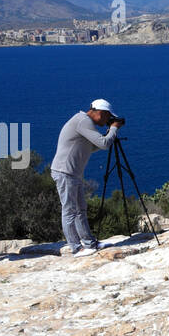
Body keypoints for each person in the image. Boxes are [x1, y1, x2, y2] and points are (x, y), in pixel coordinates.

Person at [51, 99, 124, 256]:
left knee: (80, 209)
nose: (107, 120)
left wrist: (107, 134)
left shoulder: (83, 121)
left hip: (72, 172)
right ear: (99, 112)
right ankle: (76, 248)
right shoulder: (83, 121)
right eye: (107, 117)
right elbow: (104, 145)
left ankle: (90, 243)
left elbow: (92, 147)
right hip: (65, 171)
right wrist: (113, 129)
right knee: (69, 210)